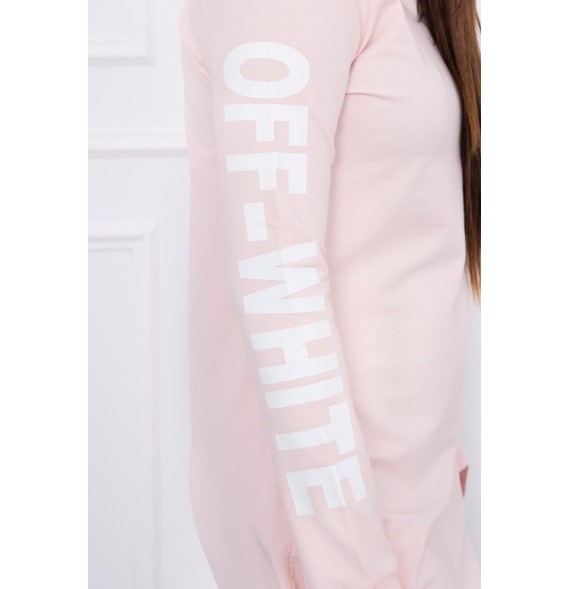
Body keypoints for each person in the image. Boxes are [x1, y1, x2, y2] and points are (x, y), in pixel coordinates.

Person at [178, 0, 481, 587]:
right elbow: (278, 287)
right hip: (343, 549)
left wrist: (441, 465)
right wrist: (354, 570)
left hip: (416, 518)